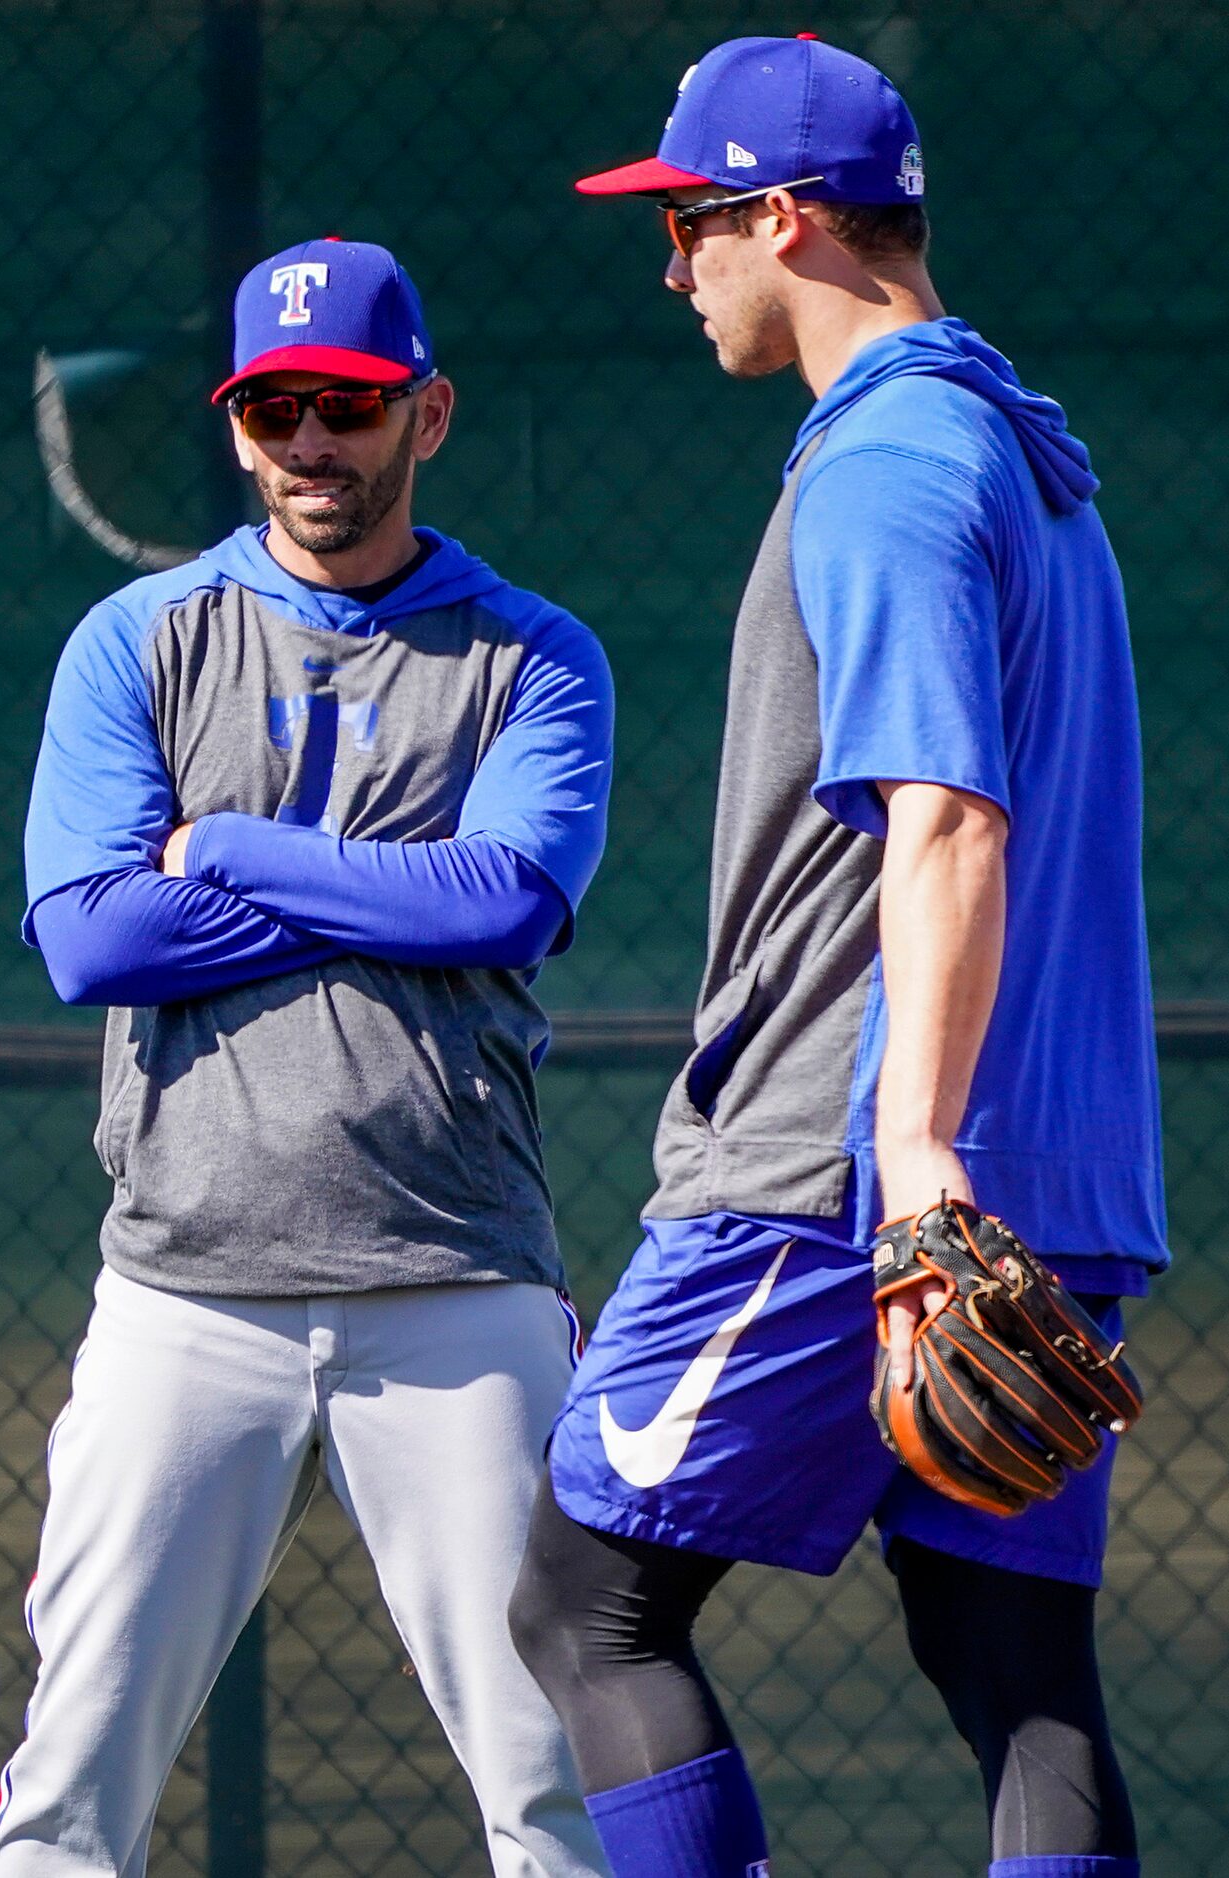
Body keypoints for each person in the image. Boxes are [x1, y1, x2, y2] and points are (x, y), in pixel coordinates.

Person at [512, 37, 1161, 1878]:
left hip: (841, 1170)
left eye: (693, 220)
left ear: (786, 218)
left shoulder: (886, 462)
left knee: (586, 1605)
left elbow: (947, 819)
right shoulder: (1032, 460)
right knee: (1008, 1653)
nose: (674, 263)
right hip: (1054, 1169)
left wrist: (910, 1163)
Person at [0, 239, 613, 1878]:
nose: (308, 444)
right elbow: (89, 939)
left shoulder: (530, 652)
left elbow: (510, 897)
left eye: (345, 405)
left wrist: (229, 849)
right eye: (272, 409)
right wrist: (392, 902)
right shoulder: (138, 637)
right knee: (67, 1786)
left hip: (453, 1275)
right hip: (184, 1291)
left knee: (554, 1774)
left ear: (427, 412)